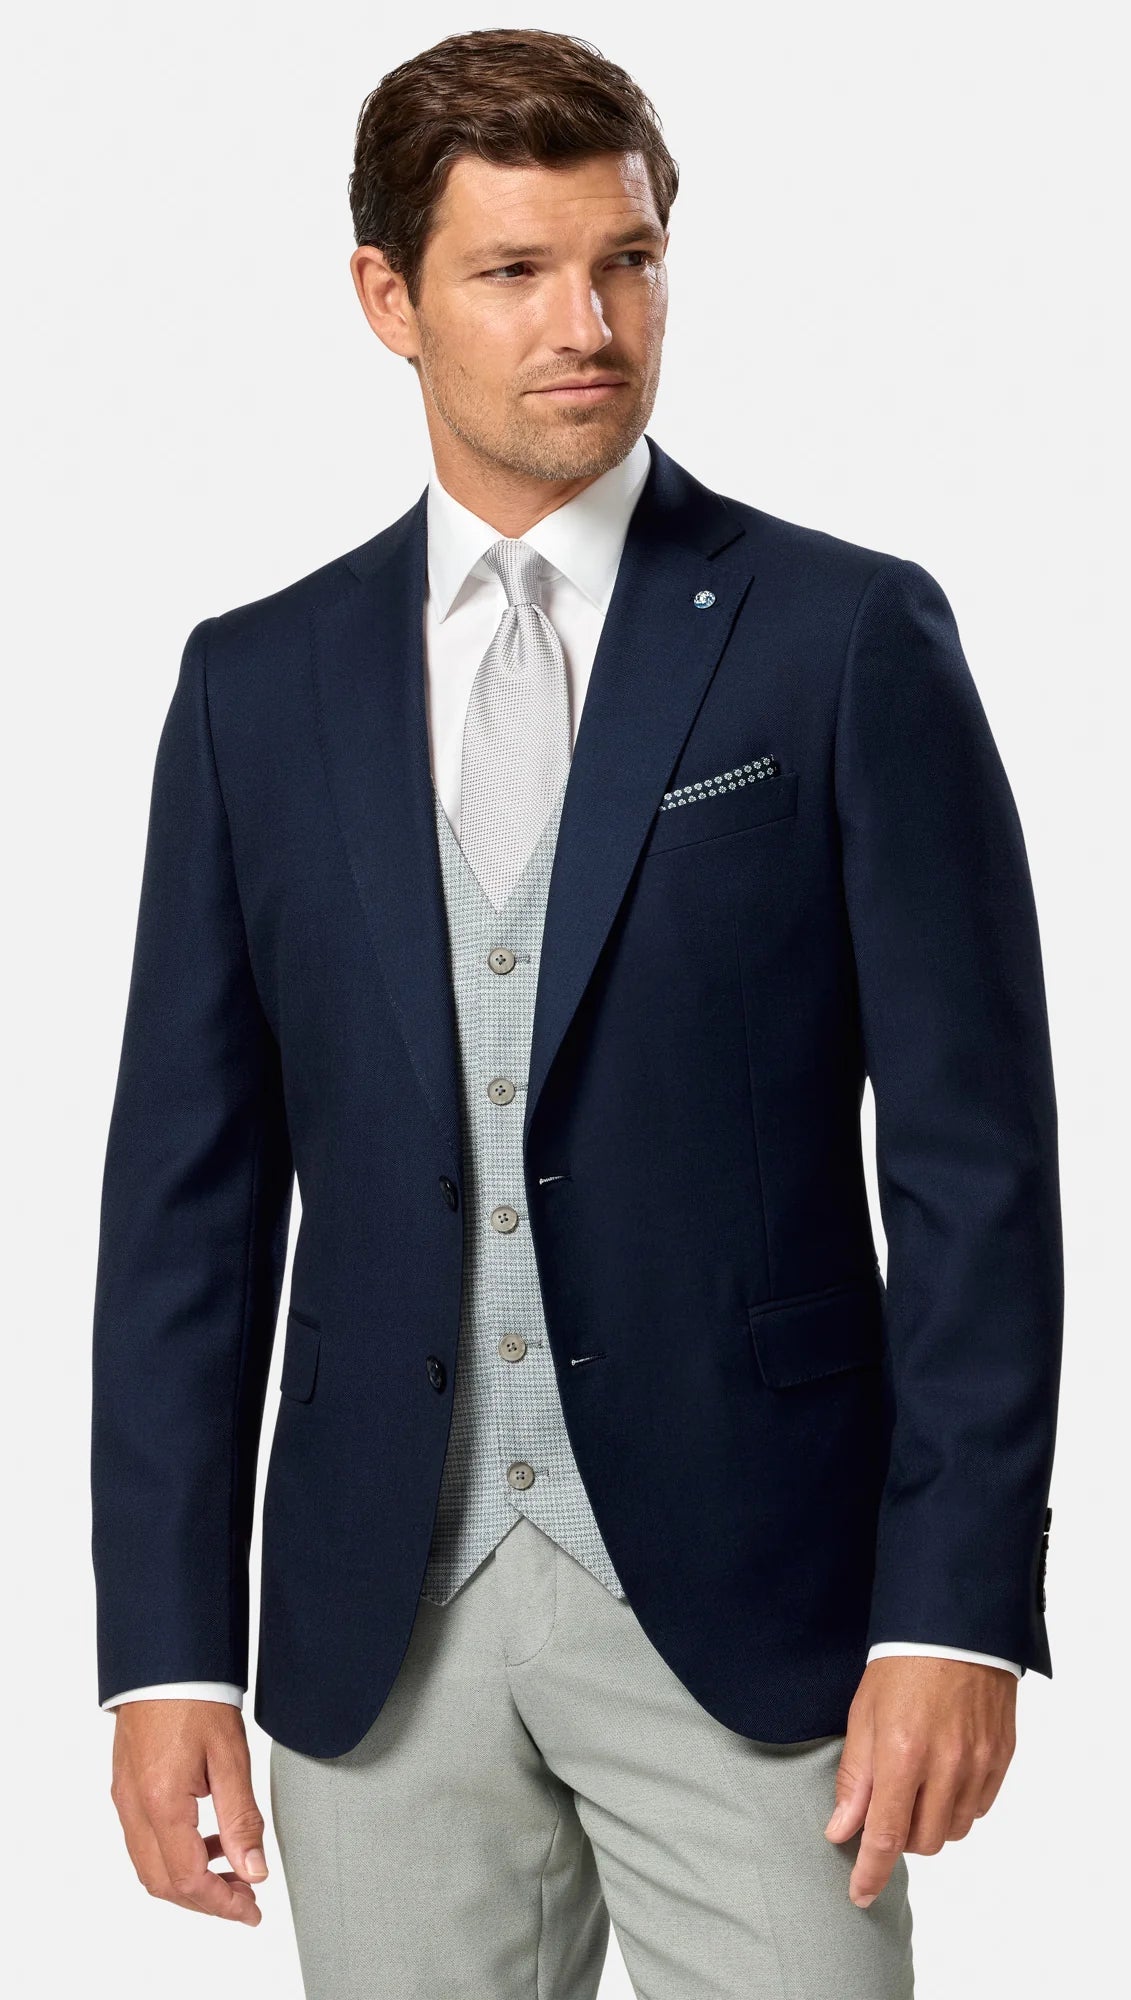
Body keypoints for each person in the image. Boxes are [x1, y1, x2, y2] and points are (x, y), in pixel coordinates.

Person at [92, 27, 1063, 1997]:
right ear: (388, 298)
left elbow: (975, 1167)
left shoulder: (841, 635)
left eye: (626, 262)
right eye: (515, 271)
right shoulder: (253, 686)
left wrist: (953, 1606)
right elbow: (185, 1208)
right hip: (376, 1625)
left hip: (759, 1610)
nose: (588, 326)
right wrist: (166, 1650)